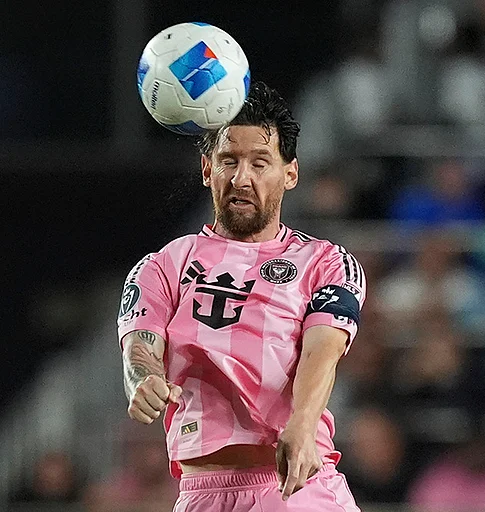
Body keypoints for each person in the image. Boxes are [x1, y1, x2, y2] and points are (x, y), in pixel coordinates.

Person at [116, 82, 366, 512]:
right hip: (201, 494)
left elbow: (322, 351)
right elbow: (140, 346)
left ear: (290, 174)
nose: (241, 178)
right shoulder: (162, 266)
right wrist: (143, 380)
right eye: (228, 160)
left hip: (294, 488)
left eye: (259, 162)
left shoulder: (325, 262)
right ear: (207, 169)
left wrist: (303, 425)